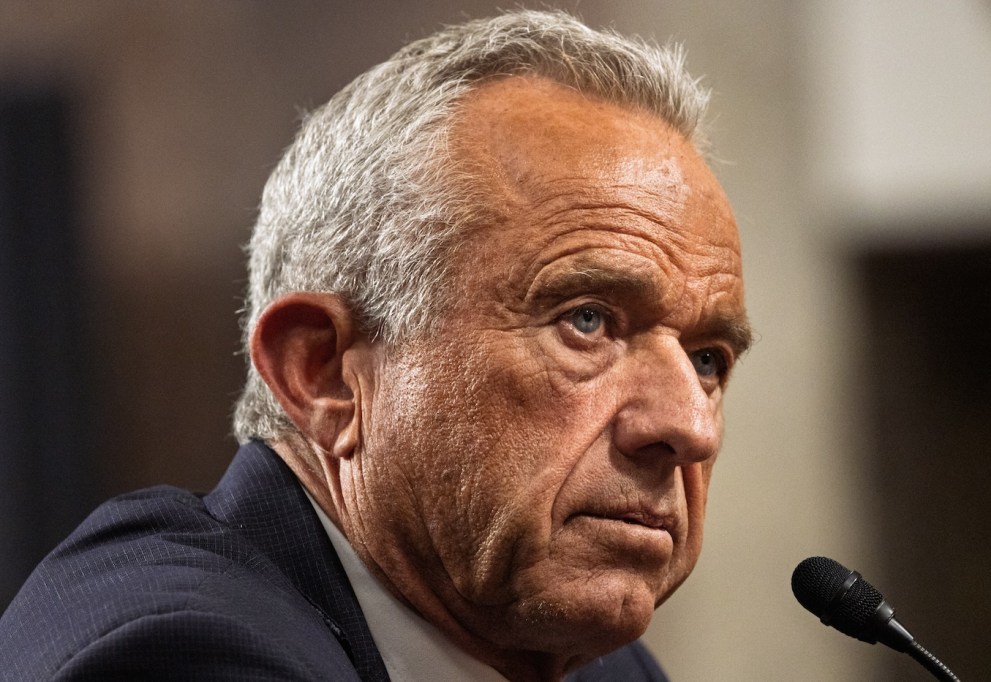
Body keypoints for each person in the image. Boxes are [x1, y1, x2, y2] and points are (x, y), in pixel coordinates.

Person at [0, 9, 751, 681]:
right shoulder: (177, 651)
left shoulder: (609, 668)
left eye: (708, 359)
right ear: (322, 372)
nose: (689, 425)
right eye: (587, 321)